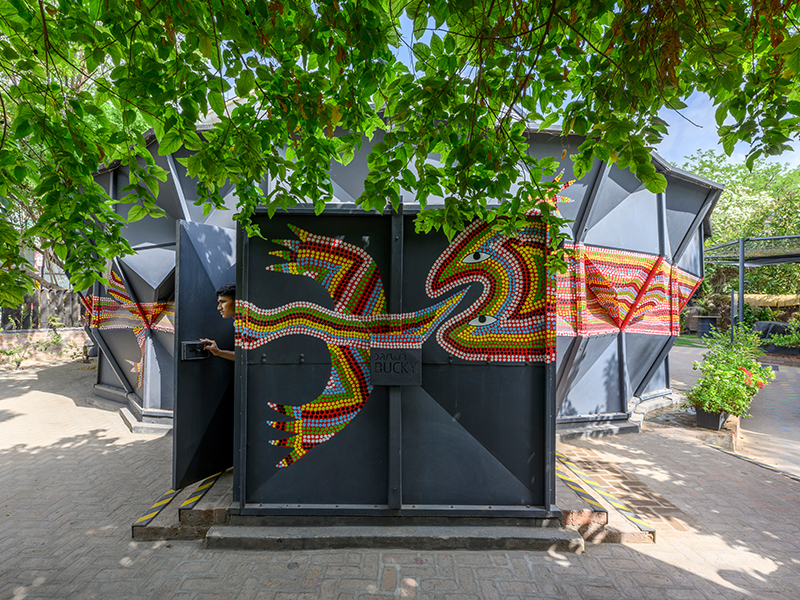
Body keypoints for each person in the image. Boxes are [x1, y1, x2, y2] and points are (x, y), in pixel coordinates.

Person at [200, 283, 236, 361]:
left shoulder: (249, 324)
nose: (219, 308)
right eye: (219, 303)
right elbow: (242, 357)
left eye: (223, 302)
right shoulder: (237, 323)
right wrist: (218, 352)